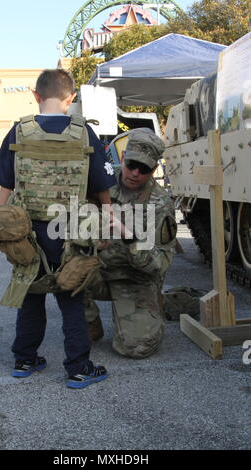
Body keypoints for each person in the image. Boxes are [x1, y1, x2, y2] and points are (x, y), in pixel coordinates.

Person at [0, 68, 117, 389]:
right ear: (70, 98)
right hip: (70, 231)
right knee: (71, 296)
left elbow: (4, 184)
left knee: (29, 294)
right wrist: (109, 217)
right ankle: (78, 368)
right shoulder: (83, 131)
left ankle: (25, 359)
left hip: (26, 232)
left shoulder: (20, 131)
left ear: (35, 96)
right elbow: (101, 185)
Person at [85, 128, 177, 358]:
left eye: (144, 169)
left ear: (154, 170)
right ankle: (88, 323)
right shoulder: (100, 185)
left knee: (136, 347)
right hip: (100, 271)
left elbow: (158, 265)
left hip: (134, 277)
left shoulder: (160, 203)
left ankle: (175, 302)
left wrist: (129, 237)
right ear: (123, 157)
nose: (135, 173)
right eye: (132, 164)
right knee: (65, 268)